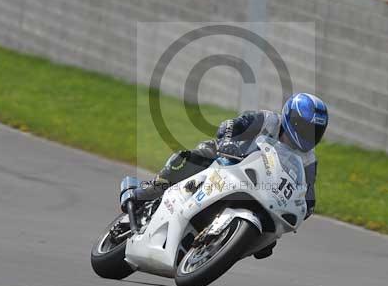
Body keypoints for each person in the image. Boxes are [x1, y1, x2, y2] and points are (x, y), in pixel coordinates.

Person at [120, 94, 330, 237]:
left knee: (269, 238)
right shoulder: (267, 120)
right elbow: (230, 125)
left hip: (261, 191)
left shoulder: (308, 160)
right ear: (291, 119)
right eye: (304, 127)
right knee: (194, 157)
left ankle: (226, 243)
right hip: (228, 159)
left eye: (314, 131)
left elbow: (307, 193)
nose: (308, 135)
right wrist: (229, 142)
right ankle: (150, 189)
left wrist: (305, 207)